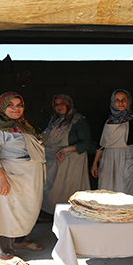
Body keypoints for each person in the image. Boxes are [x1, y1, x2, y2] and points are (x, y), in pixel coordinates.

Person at [0, 92, 46, 265]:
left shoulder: (21, 125)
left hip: (26, 175)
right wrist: (1, 179)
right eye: (11, 105)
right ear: (1, 107)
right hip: (8, 174)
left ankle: (19, 240)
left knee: (23, 210)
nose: (16, 109)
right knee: (4, 213)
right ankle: (2, 253)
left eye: (19, 105)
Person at [39, 94, 91, 222]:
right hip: (52, 159)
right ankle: (50, 215)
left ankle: (70, 216)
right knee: (51, 190)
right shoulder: (52, 119)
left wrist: (65, 150)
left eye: (62, 103)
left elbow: (86, 143)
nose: (59, 107)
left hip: (70, 160)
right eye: (56, 104)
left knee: (69, 189)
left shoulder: (78, 120)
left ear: (69, 104)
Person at [90, 89, 133, 197]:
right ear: (112, 102)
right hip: (108, 158)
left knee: (126, 190)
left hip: (128, 157)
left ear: (129, 101)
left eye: (124, 99)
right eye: (117, 100)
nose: (121, 103)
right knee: (107, 190)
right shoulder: (107, 119)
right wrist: (95, 163)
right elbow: (100, 144)